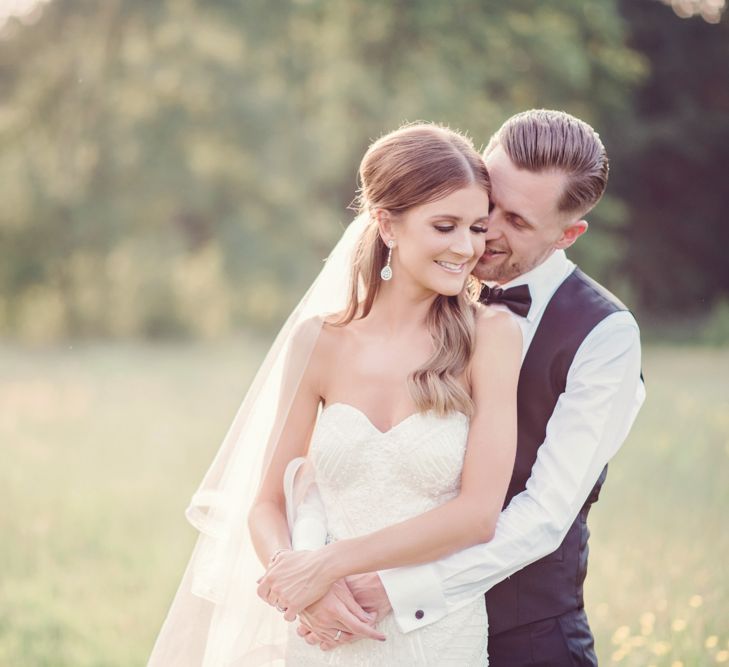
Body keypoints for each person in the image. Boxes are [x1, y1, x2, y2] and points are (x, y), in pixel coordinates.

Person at [148, 122, 522, 666]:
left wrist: (330, 564)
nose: (466, 248)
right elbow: (267, 504)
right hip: (323, 634)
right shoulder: (320, 342)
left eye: (476, 228)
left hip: (434, 634)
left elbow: (477, 515)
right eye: (445, 226)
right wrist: (302, 581)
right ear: (387, 225)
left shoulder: (491, 337)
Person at [283, 109, 646, 666]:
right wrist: (314, 567)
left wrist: (390, 588)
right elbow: (321, 471)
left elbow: (543, 515)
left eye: (516, 222)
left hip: (526, 634)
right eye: (483, 204)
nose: (483, 235)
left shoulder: (605, 336)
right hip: (355, 622)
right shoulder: (425, 280)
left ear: (568, 234)